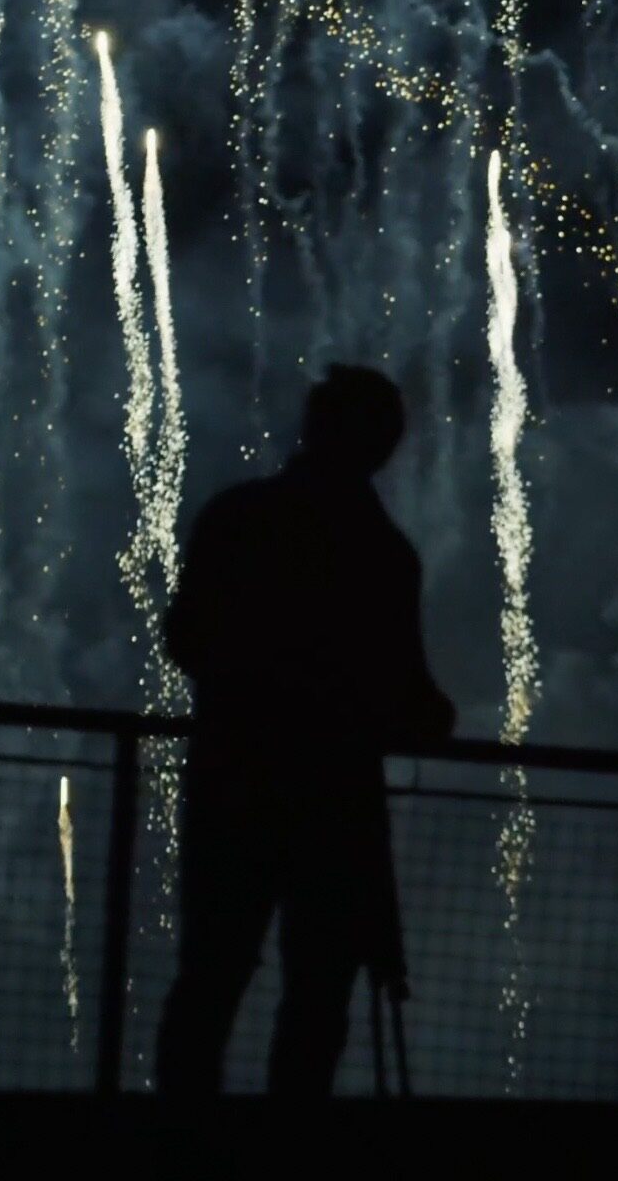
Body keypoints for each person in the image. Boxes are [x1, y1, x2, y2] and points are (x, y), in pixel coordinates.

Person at [155, 365, 457, 1097]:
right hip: (336, 801)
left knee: (211, 973)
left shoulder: (237, 516)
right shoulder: (383, 554)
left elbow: (184, 637)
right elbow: (411, 693)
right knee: (320, 990)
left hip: (231, 779)